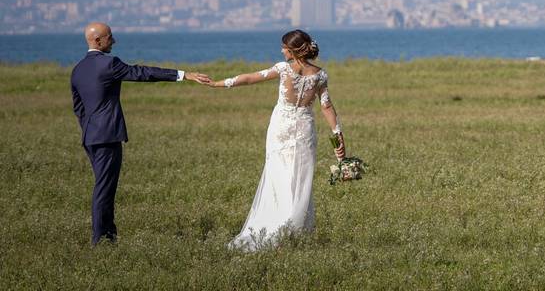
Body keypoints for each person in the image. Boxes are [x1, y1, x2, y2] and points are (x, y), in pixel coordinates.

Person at [70, 22, 210, 245]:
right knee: (104, 189)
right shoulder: (109, 64)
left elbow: (78, 108)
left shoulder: (77, 69)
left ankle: (109, 236)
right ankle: (100, 240)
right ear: (97, 41)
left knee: (103, 185)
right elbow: (142, 73)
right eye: (110, 37)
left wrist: (90, 129)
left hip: (90, 137)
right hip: (107, 137)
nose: (113, 41)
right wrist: (184, 75)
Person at [209, 29, 346, 251]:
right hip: (304, 129)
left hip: (281, 129)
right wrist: (337, 134)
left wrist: (217, 84)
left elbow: (249, 78)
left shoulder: (283, 69)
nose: (282, 50)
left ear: (294, 50)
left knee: (279, 177)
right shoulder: (320, 75)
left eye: (284, 47)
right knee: (300, 181)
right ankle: (293, 229)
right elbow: (326, 106)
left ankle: (280, 228)